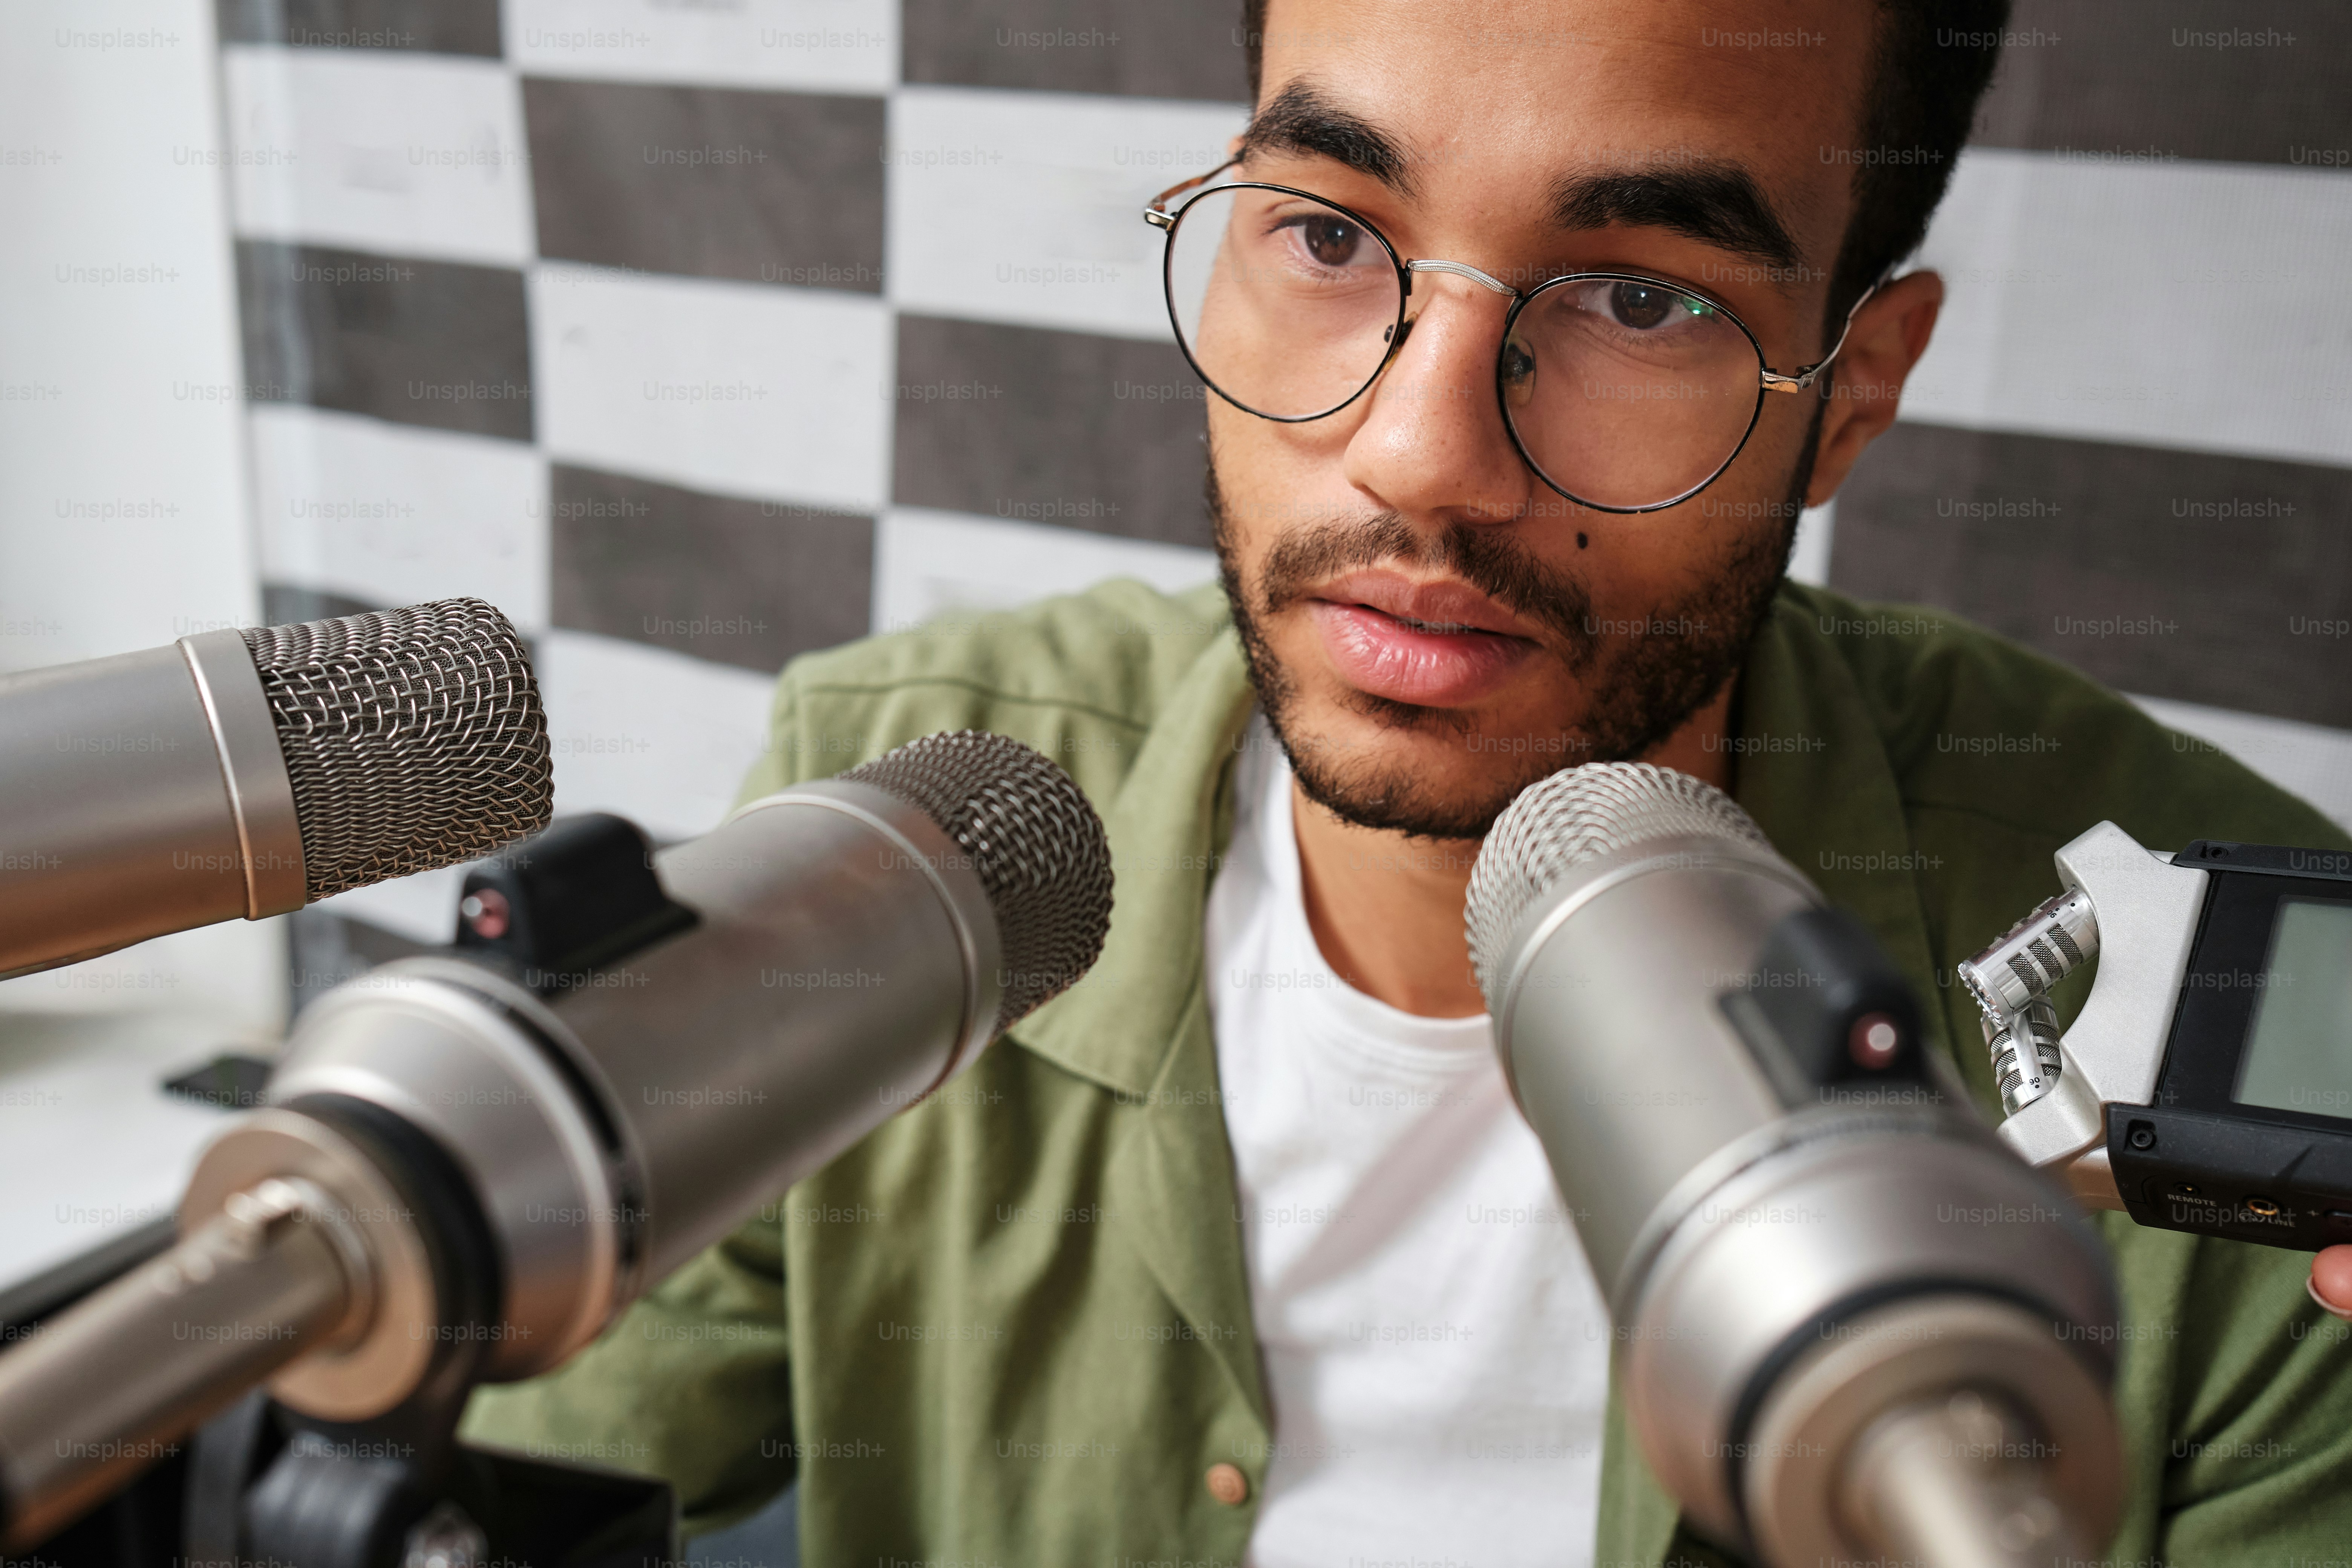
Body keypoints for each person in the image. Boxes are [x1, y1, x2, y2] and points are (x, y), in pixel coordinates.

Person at [462, 0, 2352, 1561]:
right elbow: (528, 1454)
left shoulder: (2215, 1007)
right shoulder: (909, 816)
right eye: (1332, 235)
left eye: (1640, 299)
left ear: (1851, 392)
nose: (1418, 453)